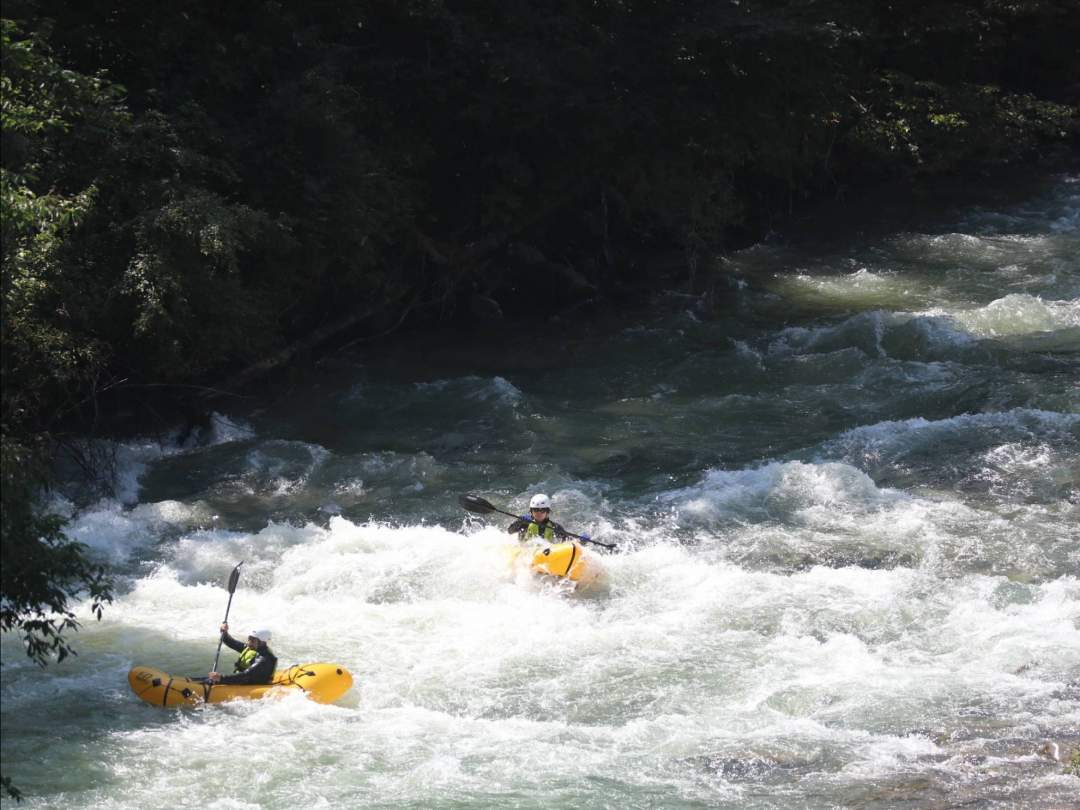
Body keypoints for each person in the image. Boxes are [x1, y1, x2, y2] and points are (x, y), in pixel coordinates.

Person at [207, 623, 277, 685]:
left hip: (250, 683)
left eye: (252, 640)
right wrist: (224, 632)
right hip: (242, 680)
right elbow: (232, 643)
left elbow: (246, 675)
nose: (249, 642)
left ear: (262, 642)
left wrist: (221, 678)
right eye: (249, 638)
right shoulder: (252, 648)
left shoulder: (264, 659)